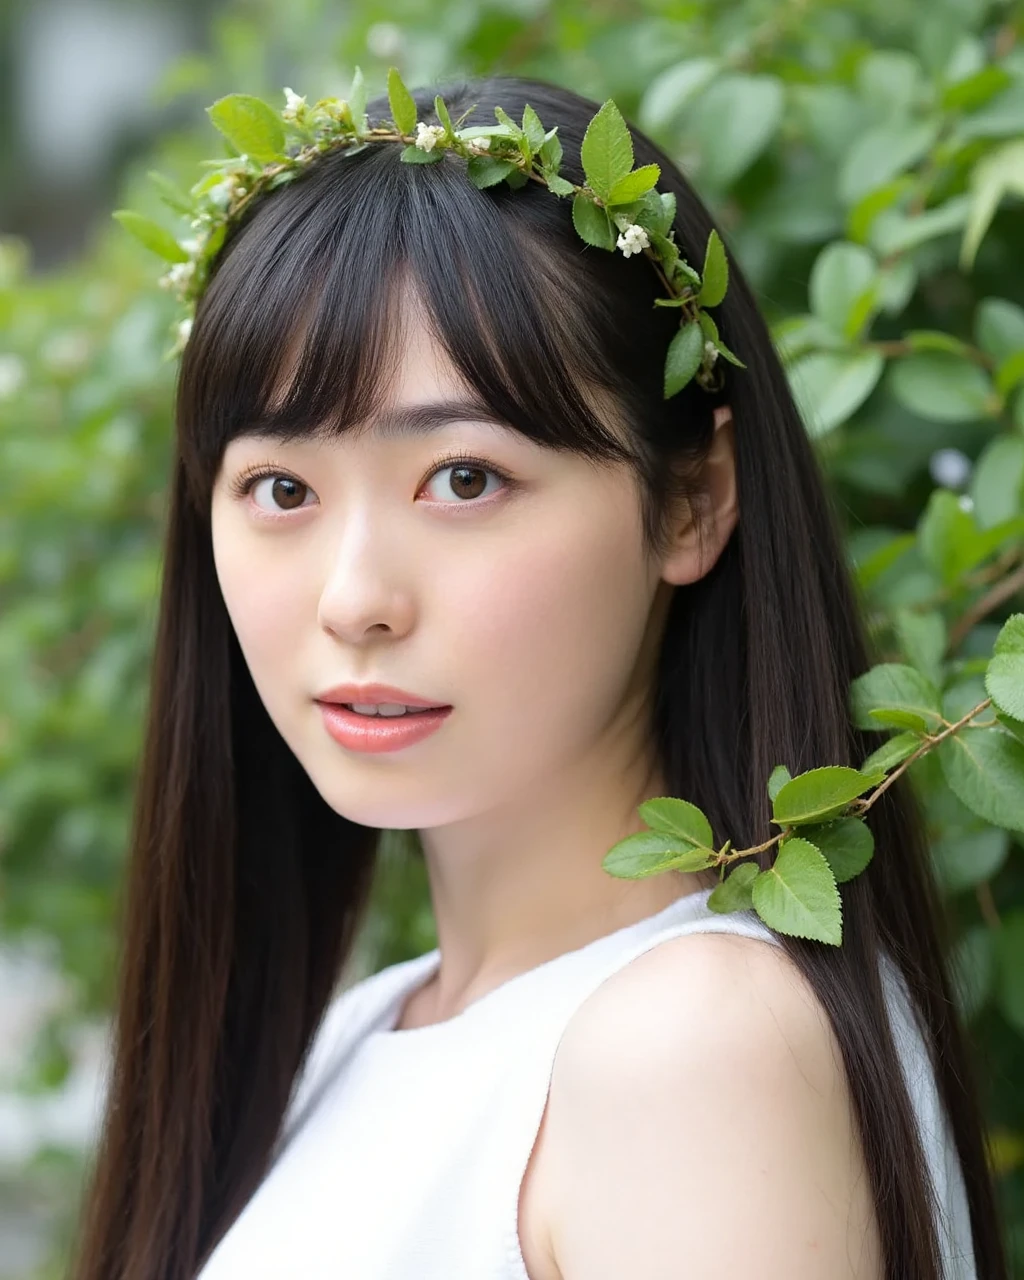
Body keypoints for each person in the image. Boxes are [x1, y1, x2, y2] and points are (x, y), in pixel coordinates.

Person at [69, 73, 1006, 1280]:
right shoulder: (373, 1032)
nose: (354, 597)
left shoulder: (688, 1050)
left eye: (463, 478)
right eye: (281, 489)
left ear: (691, 500)